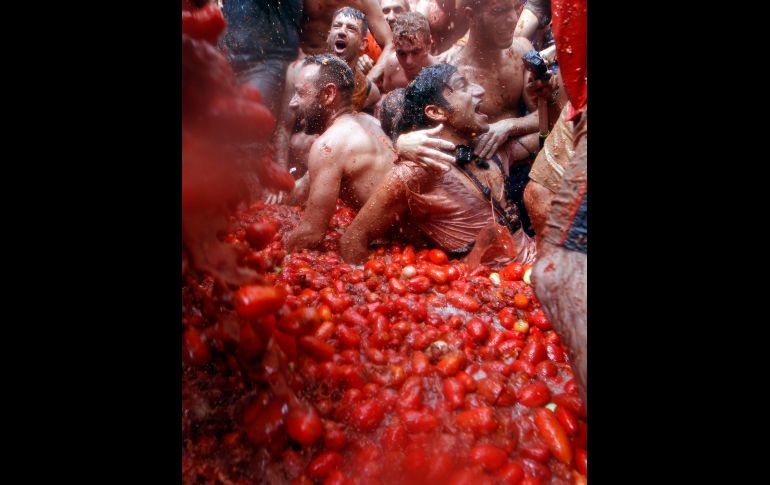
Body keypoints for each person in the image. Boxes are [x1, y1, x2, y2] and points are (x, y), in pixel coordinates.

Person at [340, 63, 532, 264]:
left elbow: (552, 134)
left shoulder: (490, 146)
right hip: (491, 288)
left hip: (537, 269)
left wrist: (510, 124)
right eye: (463, 86)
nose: (480, 90)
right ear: (437, 112)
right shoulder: (415, 173)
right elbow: (352, 240)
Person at [441, 0, 541, 234]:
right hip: (484, 187)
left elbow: (548, 118)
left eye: (516, 8)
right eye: (499, 11)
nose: (513, 19)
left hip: (528, 169)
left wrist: (509, 126)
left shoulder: (522, 51)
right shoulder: (453, 73)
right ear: (470, 14)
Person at [282, 54, 396, 253]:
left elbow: (311, 235)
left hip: (402, 248)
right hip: (402, 241)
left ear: (328, 95)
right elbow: (303, 187)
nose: (292, 102)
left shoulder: (330, 144)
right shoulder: (370, 122)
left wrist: (270, 251)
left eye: (300, 93)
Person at [272, 7, 381, 194]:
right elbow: (283, 127)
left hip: (337, 166)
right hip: (302, 165)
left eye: (351, 29)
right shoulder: (299, 72)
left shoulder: (369, 91)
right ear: (329, 35)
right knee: (304, 142)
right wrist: (281, 177)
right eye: (337, 26)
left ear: (364, 44)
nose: (341, 31)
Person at [380, 12, 437, 93]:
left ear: (428, 45)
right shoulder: (391, 65)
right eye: (401, 53)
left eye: (415, 52)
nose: (408, 61)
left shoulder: (439, 75)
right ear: (394, 46)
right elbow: (386, 97)